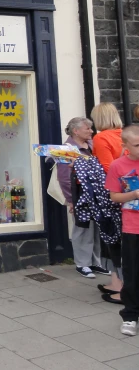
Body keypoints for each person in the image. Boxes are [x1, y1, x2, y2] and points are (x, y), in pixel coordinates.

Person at [58, 117, 110, 278]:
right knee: (82, 228)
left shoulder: (92, 146)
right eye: (88, 128)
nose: (91, 131)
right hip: (79, 193)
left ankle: (95, 262)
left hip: (95, 193)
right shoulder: (66, 149)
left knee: (95, 228)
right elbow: (64, 177)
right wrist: (71, 199)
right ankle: (82, 264)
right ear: (76, 131)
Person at [105, 124, 139, 336]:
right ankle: (130, 316)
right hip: (132, 227)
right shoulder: (118, 166)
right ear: (125, 145)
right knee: (132, 273)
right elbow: (114, 197)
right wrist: (134, 194)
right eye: (137, 145)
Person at [90, 103, 125, 301]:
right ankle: (115, 281)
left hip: (112, 194)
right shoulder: (125, 135)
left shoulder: (101, 137)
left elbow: (108, 167)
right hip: (129, 193)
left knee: (112, 237)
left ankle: (120, 285)